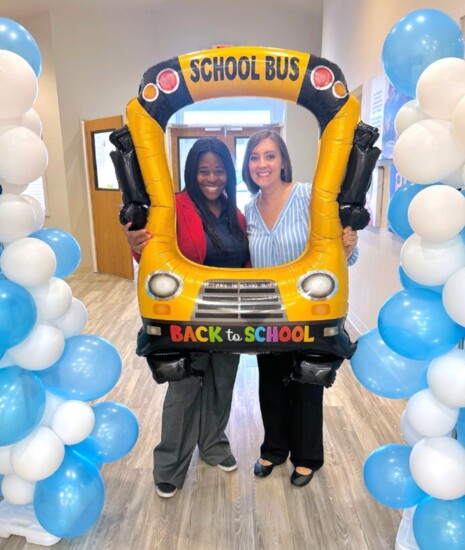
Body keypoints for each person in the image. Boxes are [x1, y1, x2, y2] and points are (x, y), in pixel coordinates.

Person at [123, 138, 249, 498]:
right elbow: (153, 255)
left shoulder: (234, 213)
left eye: (219, 170)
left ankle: (213, 446)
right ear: (192, 173)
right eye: (204, 170)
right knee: (184, 388)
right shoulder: (173, 207)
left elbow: (246, 264)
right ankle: (170, 464)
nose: (212, 177)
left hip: (230, 316)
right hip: (186, 317)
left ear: (228, 173)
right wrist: (136, 245)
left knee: (222, 384)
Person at [242, 129, 358, 488]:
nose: (262, 164)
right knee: (270, 382)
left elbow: (344, 258)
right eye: (255, 157)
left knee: (308, 380)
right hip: (267, 312)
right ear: (248, 165)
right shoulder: (249, 209)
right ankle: (274, 448)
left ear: (283, 161)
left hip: (310, 311)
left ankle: (307, 456)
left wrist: (348, 243)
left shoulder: (310, 197)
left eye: (269, 155)